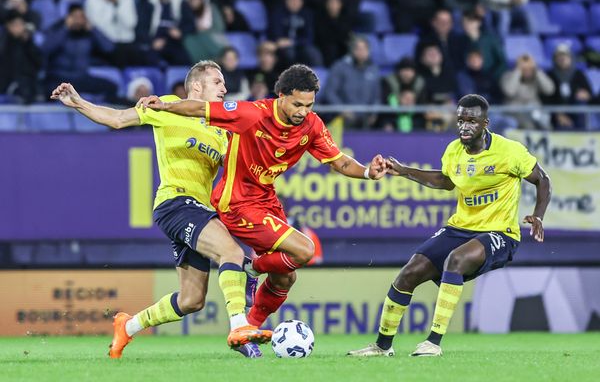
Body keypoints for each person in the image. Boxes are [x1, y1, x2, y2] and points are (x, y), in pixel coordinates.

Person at [137, 64, 389, 331]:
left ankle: (250, 329)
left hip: (266, 201)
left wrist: (366, 172)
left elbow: (338, 161)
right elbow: (200, 109)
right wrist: (163, 107)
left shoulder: (312, 125)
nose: (303, 112)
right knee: (305, 250)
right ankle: (251, 269)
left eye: (309, 104)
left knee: (285, 278)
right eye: (297, 104)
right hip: (236, 202)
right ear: (281, 96)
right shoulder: (252, 114)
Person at [50, 60, 272, 359]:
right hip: (176, 202)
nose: (224, 88)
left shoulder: (221, 129)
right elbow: (117, 119)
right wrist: (77, 102)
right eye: (217, 81)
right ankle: (239, 327)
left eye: (224, 83)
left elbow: (242, 175)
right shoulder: (167, 106)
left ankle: (127, 326)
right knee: (231, 253)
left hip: (199, 211)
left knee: (192, 300)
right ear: (196, 86)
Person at [348, 94, 551, 357]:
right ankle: (382, 346)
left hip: (500, 232)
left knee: (456, 259)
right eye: (461, 120)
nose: (465, 126)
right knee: (410, 271)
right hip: (461, 227)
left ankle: (433, 342)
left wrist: (538, 215)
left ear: (485, 123)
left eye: (472, 121)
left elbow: (542, 179)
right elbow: (445, 181)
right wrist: (404, 170)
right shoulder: (454, 150)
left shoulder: (509, 151)